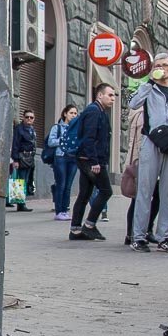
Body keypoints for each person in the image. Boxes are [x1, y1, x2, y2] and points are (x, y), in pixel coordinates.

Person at [128, 52, 168, 253]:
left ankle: (165, 237)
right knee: (145, 191)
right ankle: (139, 237)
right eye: (157, 65)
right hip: (151, 142)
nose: (161, 68)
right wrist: (149, 82)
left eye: (164, 65)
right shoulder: (149, 89)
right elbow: (132, 104)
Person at [68, 83, 115, 241]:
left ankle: (75, 230)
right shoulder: (94, 111)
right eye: (110, 95)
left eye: (114, 96)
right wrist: (95, 161)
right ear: (99, 95)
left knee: (85, 194)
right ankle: (89, 225)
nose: (113, 98)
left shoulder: (99, 111)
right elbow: (89, 138)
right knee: (106, 191)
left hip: (87, 158)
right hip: (91, 160)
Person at [121, 101, 160, 245]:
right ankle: (132, 233)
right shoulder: (142, 115)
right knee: (138, 197)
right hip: (142, 161)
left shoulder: (147, 114)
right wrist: (135, 162)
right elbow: (136, 142)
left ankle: (145, 229)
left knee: (155, 195)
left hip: (149, 160)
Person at [47, 104, 78, 220]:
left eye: (75, 113)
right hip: (60, 157)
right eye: (71, 113)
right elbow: (51, 142)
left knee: (68, 186)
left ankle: (65, 210)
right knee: (61, 184)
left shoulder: (77, 129)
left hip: (73, 158)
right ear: (65, 114)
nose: (73, 115)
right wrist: (63, 140)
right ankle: (58, 211)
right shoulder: (57, 127)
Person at [10, 110, 36, 210]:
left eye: (31, 117)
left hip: (30, 157)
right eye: (27, 117)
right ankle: (20, 204)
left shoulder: (32, 129)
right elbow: (15, 144)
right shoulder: (19, 129)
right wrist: (15, 160)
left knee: (26, 180)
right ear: (23, 117)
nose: (29, 119)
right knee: (20, 180)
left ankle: (22, 201)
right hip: (21, 157)